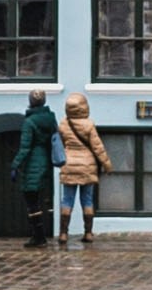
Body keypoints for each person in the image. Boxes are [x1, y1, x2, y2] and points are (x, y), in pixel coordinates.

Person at [56, 88, 107, 248]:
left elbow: (62, 145)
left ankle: (64, 233)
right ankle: (88, 233)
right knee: (87, 200)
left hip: (69, 164)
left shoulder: (63, 124)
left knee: (67, 200)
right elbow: (97, 146)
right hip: (87, 166)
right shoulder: (89, 125)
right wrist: (106, 163)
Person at [11, 83, 58, 244]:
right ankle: (48, 232)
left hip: (33, 164)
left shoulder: (29, 122)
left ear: (30, 102)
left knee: (31, 199)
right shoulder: (51, 119)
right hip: (47, 161)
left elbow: (25, 148)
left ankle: (39, 236)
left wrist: (15, 165)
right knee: (45, 198)